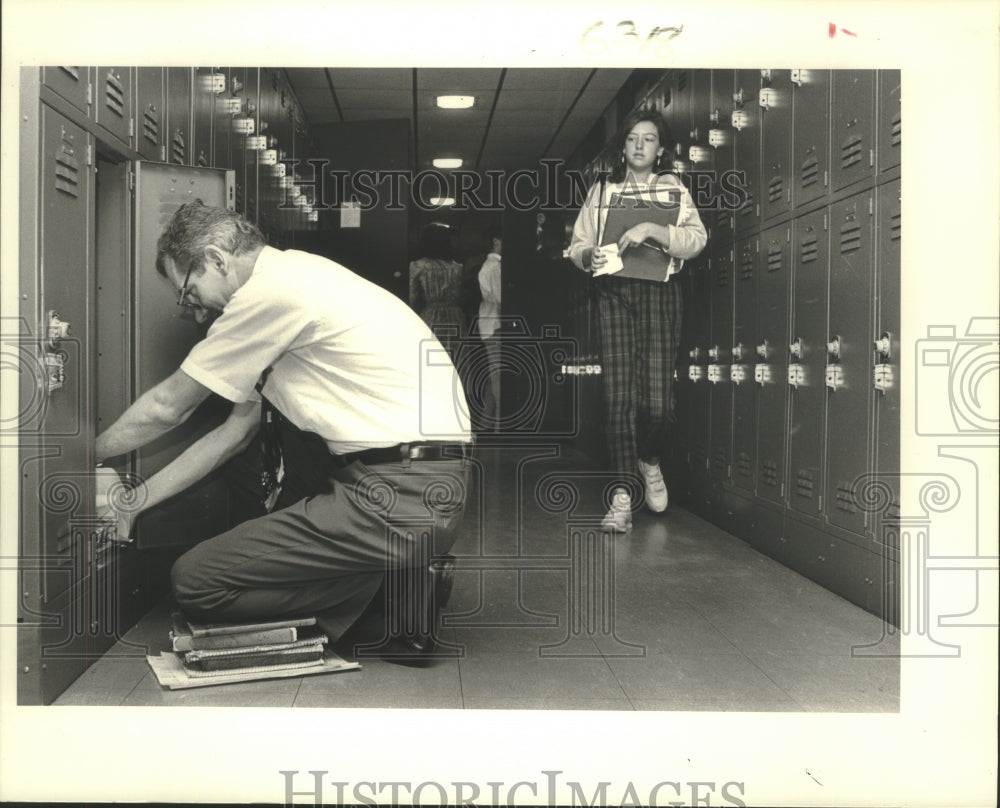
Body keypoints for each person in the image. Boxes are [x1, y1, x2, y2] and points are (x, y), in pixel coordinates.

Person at [95, 201, 472, 652]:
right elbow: (232, 435)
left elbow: (167, 406)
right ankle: (394, 582)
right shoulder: (299, 277)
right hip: (416, 485)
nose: (195, 314)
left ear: (216, 259)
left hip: (397, 494)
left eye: (189, 293)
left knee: (196, 582)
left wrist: (80, 455)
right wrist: (133, 503)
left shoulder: (271, 293)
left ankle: (386, 601)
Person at [568, 110, 707, 533]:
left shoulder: (674, 189)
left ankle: (649, 461)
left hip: (659, 292)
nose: (640, 146)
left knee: (658, 403)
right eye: (632, 139)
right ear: (623, 147)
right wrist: (583, 256)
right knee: (618, 400)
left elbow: (697, 240)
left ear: (660, 148)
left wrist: (654, 228)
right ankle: (622, 498)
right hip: (613, 291)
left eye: (648, 139)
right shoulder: (603, 189)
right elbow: (576, 243)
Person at [408, 223, 465, 359]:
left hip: (429, 316)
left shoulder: (417, 266)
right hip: (455, 317)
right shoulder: (457, 267)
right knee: (455, 357)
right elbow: (461, 296)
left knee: (430, 357)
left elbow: (413, 297)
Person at [476, 227, 503, 430]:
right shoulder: (494, 267)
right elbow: (500, 298)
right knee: (498, 374)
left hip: (488, 324)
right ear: (496, 241)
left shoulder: (490, 265)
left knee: (495, 371)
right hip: (494, 324)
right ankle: (500, 423)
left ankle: (486, 423)